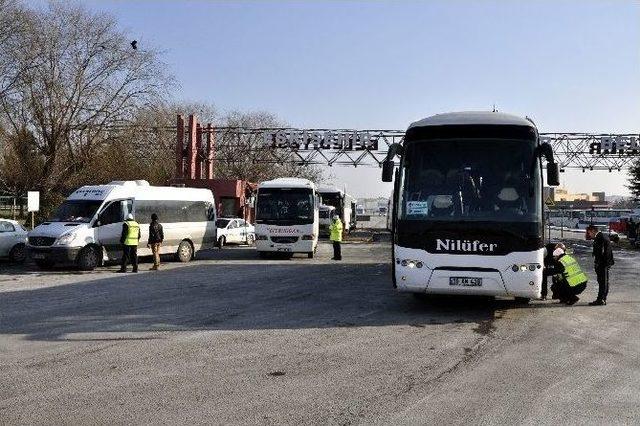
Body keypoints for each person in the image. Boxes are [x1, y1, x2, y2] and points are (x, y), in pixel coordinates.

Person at [586, 225, 614, 306]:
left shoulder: (600, 237)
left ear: (593, 231)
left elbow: (601, 252)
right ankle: (602, 298)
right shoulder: (602, 236)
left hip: (603, 263)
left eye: (590, 233)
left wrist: (599, 263)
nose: (589, 235)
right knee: (603, 281)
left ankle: (601, 299)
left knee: (603, 282)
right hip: (604, 263)